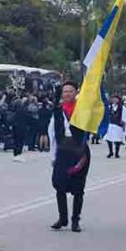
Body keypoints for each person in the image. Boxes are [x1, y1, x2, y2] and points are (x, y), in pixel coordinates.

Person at [48, 82, 90, 233]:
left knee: (78, 188)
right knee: (59, 184)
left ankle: (75, 220)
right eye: (64, 91)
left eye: (70, 91)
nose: (67, 94)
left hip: (79, 151)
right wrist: (53, 155)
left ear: (76, 92)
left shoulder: (83, 109)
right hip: (62, 151)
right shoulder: (58, 110)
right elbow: (52, 133)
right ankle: (62, 218)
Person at [104, 95, 126, 159]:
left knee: (117, 140)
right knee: (109, 139)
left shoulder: (122, 108)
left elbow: (125, 116)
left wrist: (123, 122)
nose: (114, 100)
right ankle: (110, 152)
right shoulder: (110, 107)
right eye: (113, 99)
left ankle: (117, 153)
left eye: (116, 99)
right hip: (111, 124)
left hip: (118, 125)